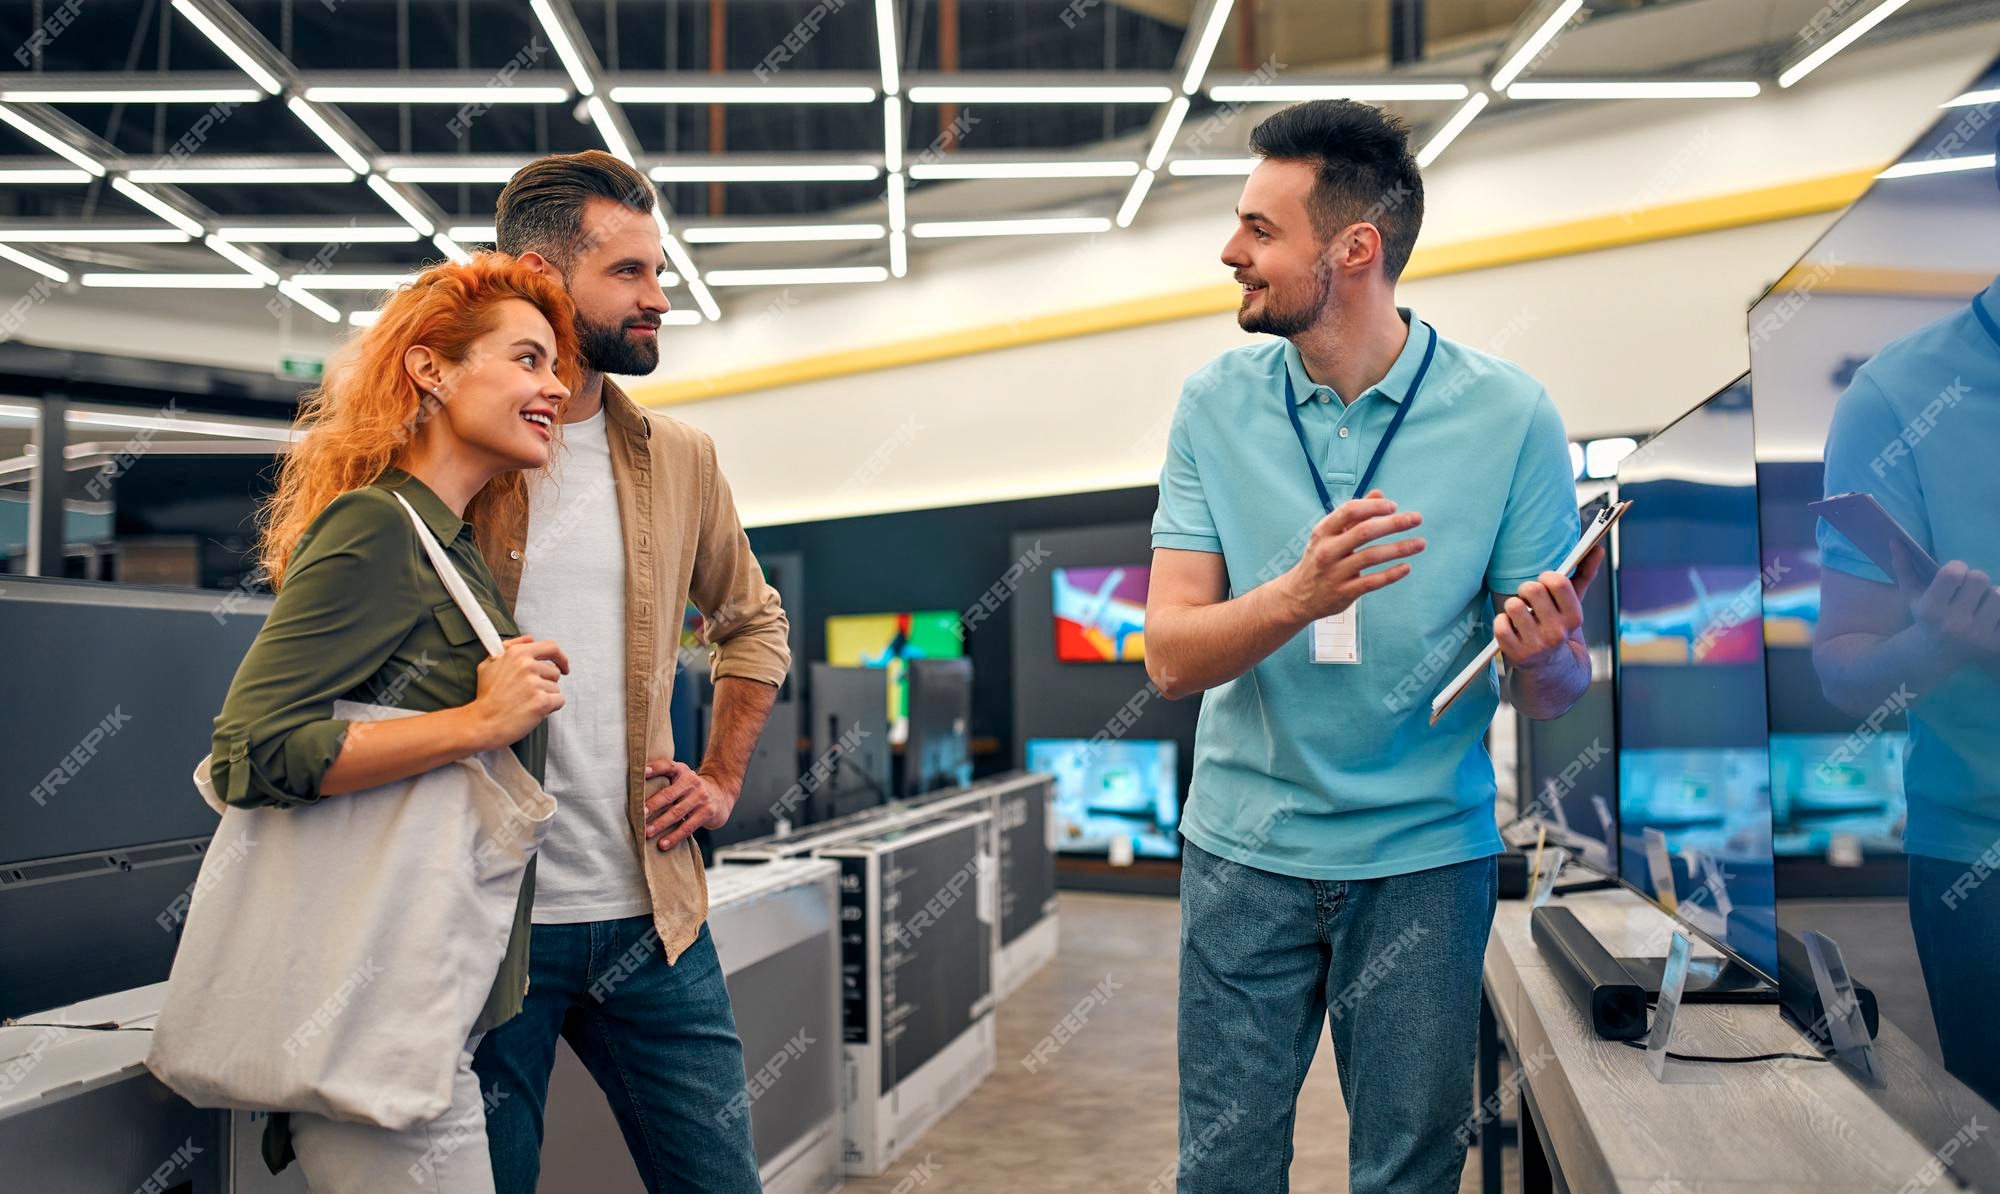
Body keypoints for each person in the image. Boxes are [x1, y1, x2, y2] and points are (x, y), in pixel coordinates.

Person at [1144, 100, 1601, 1194]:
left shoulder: (1508, 417)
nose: (1229, 251)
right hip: (1242, 852)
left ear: (1352, 249)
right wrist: (1297, 594)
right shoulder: (1212, 403)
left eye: (1258, 228)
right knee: (1221, 1172)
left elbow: (1551, 691)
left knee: (1406, 1173)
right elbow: (1167, 656)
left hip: (1420, 866)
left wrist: (1540, 651)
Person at [207, 253, 580, 1189]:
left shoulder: (448, 541)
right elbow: (250, 751)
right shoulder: (377, 526)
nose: (556, 384)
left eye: (555, 365)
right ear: (432, 369)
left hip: (419, 1021)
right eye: (528, 359)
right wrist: (479, 722)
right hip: (375, 1032)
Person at [469, 150, 792, 1194]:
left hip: (649, 918)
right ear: (537, 274)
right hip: (476, 922)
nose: (659, 299)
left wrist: (724, 775)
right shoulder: (436, 461)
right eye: (629, 275)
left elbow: (753, 623)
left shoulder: (680, 458)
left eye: (659, 273)